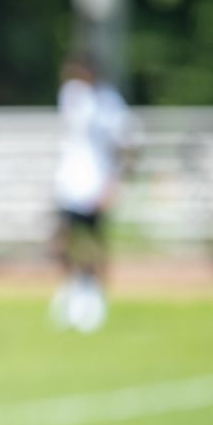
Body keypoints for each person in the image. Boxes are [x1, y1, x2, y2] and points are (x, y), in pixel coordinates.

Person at [48, 54, 139, 333]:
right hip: (69, 181)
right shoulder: (70, 95)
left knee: (93, 242)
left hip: (95, 182)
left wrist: (113, 183)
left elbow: (126, 145)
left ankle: (94, 295)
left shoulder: (109, 103)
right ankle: (72, 288)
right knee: (62, 239)